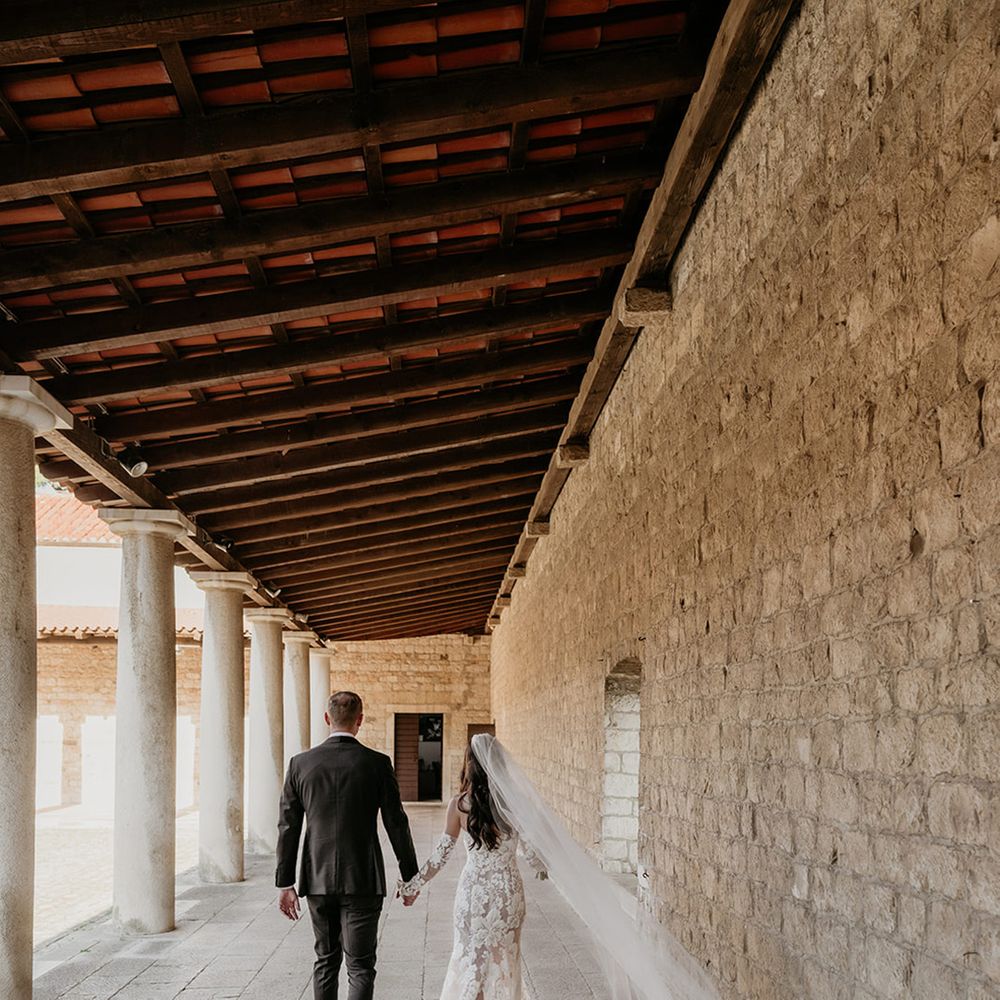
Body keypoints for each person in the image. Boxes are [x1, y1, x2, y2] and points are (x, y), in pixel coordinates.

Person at [400, 733, 720, 1000]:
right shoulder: (514, 806)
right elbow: (536, 855)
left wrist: (413, 886)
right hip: (509, 894)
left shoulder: (459, 806)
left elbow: (440, 856)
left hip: (473, 895)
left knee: (470, 957)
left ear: (469, 764)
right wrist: (546, 866)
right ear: (499, 766)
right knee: (506, 960)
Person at [276, 691, 419, 1000]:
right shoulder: (378, 764)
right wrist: (410, 876)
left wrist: (285, 881)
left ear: (327, 719)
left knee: (325, 961)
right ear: (360, 721)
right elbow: (396, 822)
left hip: (317, 877)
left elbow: (288, 826)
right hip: (363, 879)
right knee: (361, 966)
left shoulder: (300, 764)